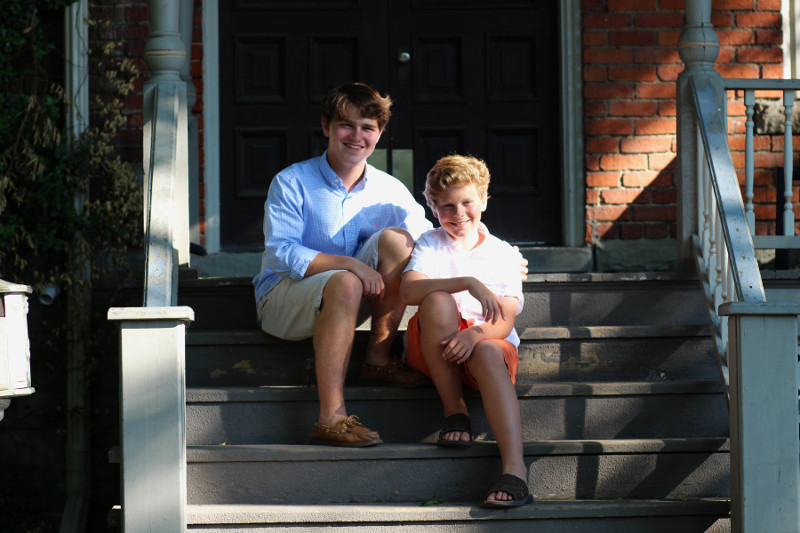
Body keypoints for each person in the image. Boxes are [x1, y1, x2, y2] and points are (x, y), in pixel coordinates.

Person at [253, 83, 434, 447]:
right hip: (283, 299)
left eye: (368, 127)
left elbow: (431, 241)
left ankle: (378, 359)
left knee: (400, 240)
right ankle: (330, 418)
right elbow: (281, 254)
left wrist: (500, 258)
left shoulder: (390, 190)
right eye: (345, 125)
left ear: (379, 133)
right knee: (346, 281)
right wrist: (351, 265)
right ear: (326, 127)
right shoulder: (292, 182)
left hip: (354, 301)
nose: (357, 136)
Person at [400, 155, 532, 507]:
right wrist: (468, 283)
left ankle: (515, 470)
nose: (458, 214)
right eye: (446, 206)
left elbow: (505, 319)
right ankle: (454, 410)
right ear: (433, 207)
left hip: (485, 347)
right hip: (435, 347)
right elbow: (409, 291)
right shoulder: (430, 242)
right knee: (438, 300)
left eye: (466, 202)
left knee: (489, 348)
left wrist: (474, 335)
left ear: (484, 200)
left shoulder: (503, 254)